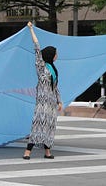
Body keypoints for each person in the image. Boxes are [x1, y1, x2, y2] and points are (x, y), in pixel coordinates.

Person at [23, 22, 62, 160]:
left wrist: (59, 100)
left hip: (51, 103)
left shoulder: (53, 68)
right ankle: (28, 151)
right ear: (51, 54)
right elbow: (37, 47)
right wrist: (31, 29)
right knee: (38, 124)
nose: (57, 55)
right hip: (42, 101)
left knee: (49, 126)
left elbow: (55, 86)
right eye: (56, 53)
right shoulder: (41, 66)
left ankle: (47, 151)